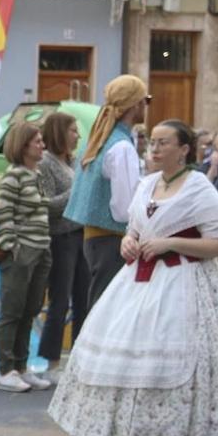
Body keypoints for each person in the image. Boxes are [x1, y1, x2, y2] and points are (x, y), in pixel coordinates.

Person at [48, 119, 218, 436]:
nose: (155, 149)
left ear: (184, 149)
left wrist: (171, 242)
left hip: (184, 281)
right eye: (153, 144)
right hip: (140, 283)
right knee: (136, 361)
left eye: (164, 143)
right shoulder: (146, 184)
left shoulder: (198, 187)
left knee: (175, 362)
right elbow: (133, 228)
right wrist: (129, 241)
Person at [64, 74, 148, 311]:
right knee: (108, 312)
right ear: (136, 105)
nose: (146, 106)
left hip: (94, 238)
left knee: (101, 308)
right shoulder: (121, 146)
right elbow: (124, 209)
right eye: (145, 100)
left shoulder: (102, 140)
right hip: (113, 240)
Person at [0, 119, 53, 392]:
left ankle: (22, 367)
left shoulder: (38, 175)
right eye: (37, 141)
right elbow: (3, 215)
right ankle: (5, 370)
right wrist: (12, 246)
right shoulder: (13, 175)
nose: (42, 146)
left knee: (30, 311)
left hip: (41, 250)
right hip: (21, 252)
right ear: (23, 145)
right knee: (12, 311)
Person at [36, 111, 85, 371]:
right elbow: (45, 205)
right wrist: (75, 190)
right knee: (60, 300)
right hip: (60, 238)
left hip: (80, 235)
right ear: (59, 133)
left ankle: (79, 359)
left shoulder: (74, 162)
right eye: (73, 130)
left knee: (83, 299)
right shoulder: (45, 163)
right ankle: (52, 362)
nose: (77, 135)